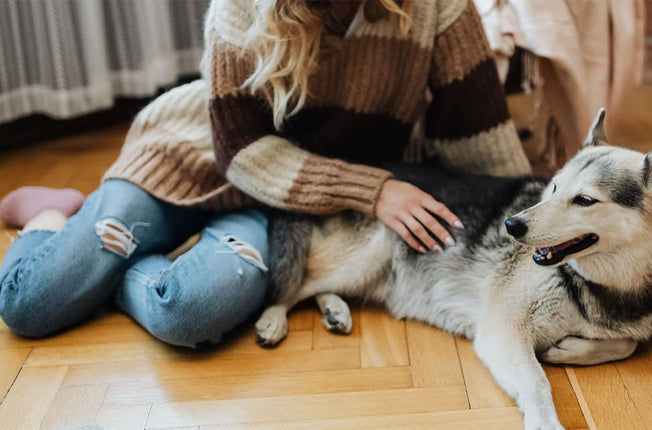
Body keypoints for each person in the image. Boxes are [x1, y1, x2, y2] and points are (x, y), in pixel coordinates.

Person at [0, 0, 532, 348]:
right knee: (31, 303)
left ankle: (112, 263)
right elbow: (241, 152)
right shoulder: (240, 7)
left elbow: (478, 136)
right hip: (186, 159)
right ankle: (51, 213)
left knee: (189, 312)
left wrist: (532, 224)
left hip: (280, 203)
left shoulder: (439, 8)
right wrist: (373, 189)